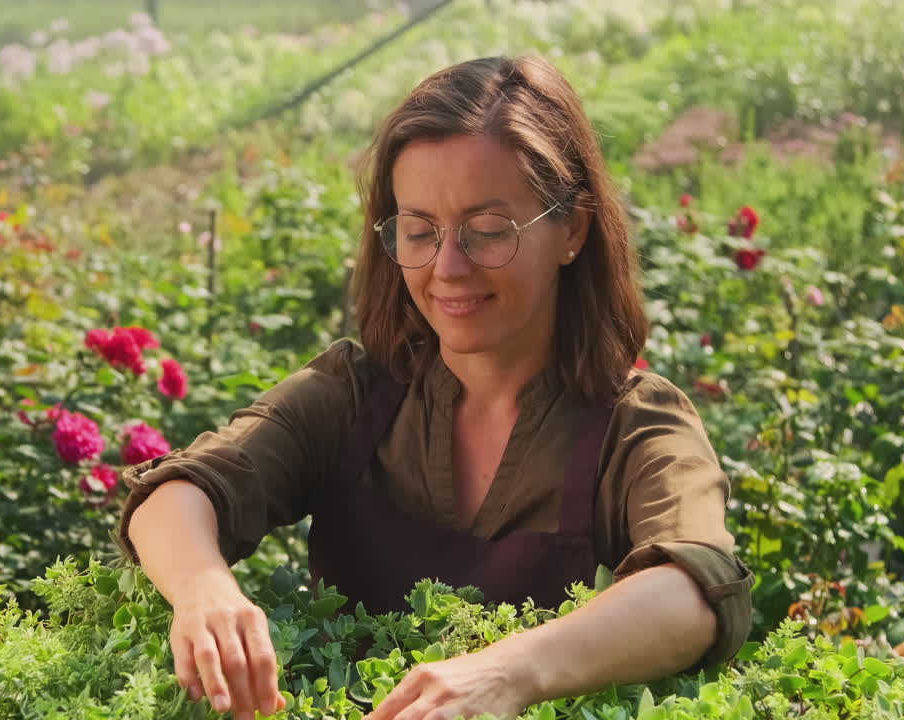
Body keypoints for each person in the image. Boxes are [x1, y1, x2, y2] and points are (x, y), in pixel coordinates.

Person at [119, 54, 754, 720]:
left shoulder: (635, 426)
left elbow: (694, 587)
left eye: (487, 231)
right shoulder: (353, 396)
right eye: (419, 231)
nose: (447, 267)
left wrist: (506, 674)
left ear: (572, 228)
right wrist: (204, 591)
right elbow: (181, 491)